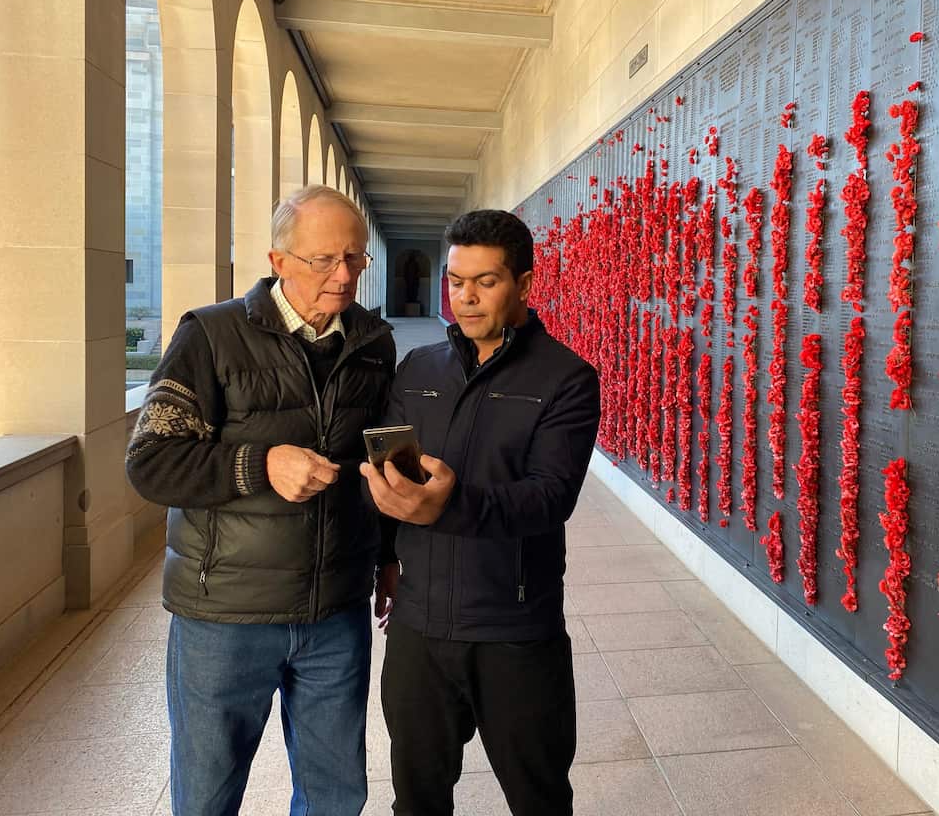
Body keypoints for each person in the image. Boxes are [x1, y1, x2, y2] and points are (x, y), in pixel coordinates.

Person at [125, 185, 397, 816]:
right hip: (225, 614)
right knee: (208, 794)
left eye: (355, 259)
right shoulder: (211, 336)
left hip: (336, 611)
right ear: (278, 261)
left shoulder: (374, 342)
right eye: (323, 260)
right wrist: (259, 463)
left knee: (335, 796)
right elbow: (151, 462)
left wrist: (387, 555)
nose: (344, 275)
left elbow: (374, 465)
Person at [363, 208, 601, 816]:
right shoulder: (420, 369)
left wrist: (453, 502)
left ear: (523, 284)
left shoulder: (567, 378)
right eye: (456, 280)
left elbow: (552, 496)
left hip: (514, 630)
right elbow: (395, 467)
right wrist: (385, 557)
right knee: (416, 799)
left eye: (485, 282)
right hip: (418, 629)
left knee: (539, 797)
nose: (465, 298)